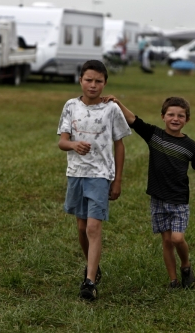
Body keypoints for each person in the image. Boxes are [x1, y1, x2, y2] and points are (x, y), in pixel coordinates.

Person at [102, 95, 195, 289]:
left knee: (177, 238)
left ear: (187, 120)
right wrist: (117, 103)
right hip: (158, 199)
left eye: (181, 116)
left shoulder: (190, 146)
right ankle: (173, 280)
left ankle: (185, 265)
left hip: (179, 200)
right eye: (171, 114)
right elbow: (134, 120)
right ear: (163, 117)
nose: (175, 119)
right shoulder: (154, 135)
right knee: (166, 241)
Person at [57, 60, 131, 301]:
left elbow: (119, 145)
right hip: (76, 173)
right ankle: (93, 266)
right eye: (88, 80)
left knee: (93, 227)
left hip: (100, 175)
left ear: (105, 83)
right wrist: (73, 144)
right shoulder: (70, 106)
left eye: (98, 81)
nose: (93, 85)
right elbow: (62, 141)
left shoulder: (111, 109)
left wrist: (117, 179)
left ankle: (89, 282)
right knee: (81, 228)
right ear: (80, 80)